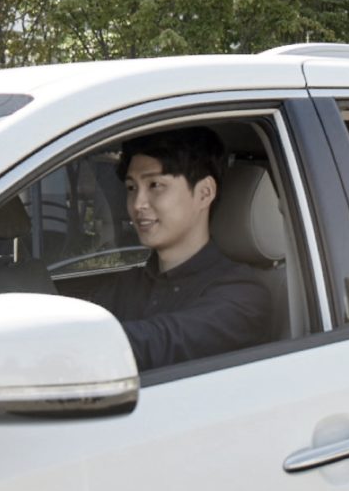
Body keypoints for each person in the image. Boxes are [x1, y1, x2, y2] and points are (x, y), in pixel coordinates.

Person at [93, 126, 271, 371]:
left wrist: (69, 342)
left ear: (204, 193)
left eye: (155, 185)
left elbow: (162, 342)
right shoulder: (126, 285)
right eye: (132, 188)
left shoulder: (242, 296)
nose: (137, 204)